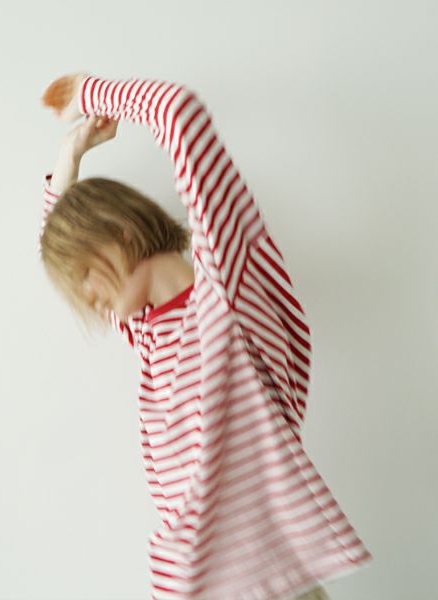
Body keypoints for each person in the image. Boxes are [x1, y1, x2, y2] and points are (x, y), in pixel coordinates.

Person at [38, 73, 373, 599]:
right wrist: (72, 152)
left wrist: (90, 93)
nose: (86, 301)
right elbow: (53, 234)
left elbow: (180, 111)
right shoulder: (150, 334)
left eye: (83, 276)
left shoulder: (225, 289)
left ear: (118, 236)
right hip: (203, 585)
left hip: (270, 583)